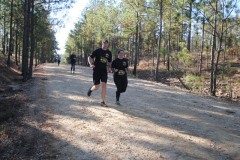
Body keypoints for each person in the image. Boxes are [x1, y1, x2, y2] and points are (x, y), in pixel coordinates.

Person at [87, 39, 112, 107]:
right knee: (96, 87)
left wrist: (109, 68)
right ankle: (91, 89)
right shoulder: (97, 51)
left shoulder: (109, 52)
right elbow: (89, 57)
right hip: (96, 70)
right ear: (102, 44)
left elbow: (109, 61)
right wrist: (91, 64)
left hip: (104, 71)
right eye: (104, 43)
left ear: (108, 44)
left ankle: (102, 101)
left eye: (106, 43)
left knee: (104, 85)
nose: (105, 45)